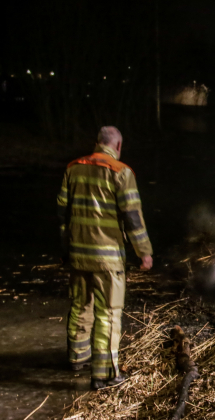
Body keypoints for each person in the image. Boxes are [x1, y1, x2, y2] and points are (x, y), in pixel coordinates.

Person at [57, 126, 153, 389]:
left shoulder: (73, 167)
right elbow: (132, 217)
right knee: (108, 314)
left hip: (78, 253)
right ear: (118, 146)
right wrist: (143, 251)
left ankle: (77, 357)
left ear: (97, 142)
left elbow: (62, 213)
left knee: (80, 305)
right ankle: (105, 373)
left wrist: (66, 250)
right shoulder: (121, 171)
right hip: (107, 258)